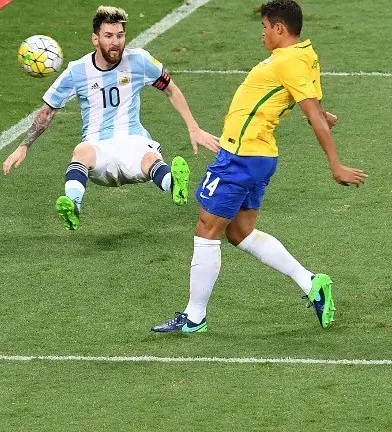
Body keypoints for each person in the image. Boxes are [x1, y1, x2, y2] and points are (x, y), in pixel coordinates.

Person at [152, 0, 367, 333]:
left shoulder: (291, 61)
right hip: (259, 156)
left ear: (279, 28)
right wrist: (323, 115)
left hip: (241, 156)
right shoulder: (304, 55)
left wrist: (335, 164)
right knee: (240, 232)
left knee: (207, 229)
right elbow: (310, 103)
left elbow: (310, 112)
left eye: (265, 27)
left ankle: (194, 317)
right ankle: (311, 282)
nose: (263, 34)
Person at [3, 5, 219, 230]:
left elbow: (171, 89)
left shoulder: (139, 60)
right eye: (108, 36)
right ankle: (73, 206)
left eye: (120, 35)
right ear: (95, 39)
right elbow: (48, 111)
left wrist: (194, 128)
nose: (116, 42)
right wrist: (24, 146)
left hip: (133, 139)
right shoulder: (77, 71)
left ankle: (174, 186)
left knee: (149, 158)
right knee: (81, 152)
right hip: (98, 148)